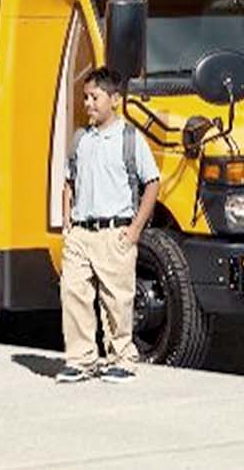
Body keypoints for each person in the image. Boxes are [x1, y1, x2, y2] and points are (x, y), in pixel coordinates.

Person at [57, 66, 160, 384]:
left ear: (115, 100)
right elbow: (68, 181)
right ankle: (81, 359)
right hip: (80, 233)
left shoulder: (130, 140)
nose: (88, 103)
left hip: (115, 232)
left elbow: (152, 183)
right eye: (85, 97)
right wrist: (67, 221)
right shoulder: (80, 139)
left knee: (116, 299)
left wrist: (134, 231)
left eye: (95, 97)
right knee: (73, 294)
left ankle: (121, 358)